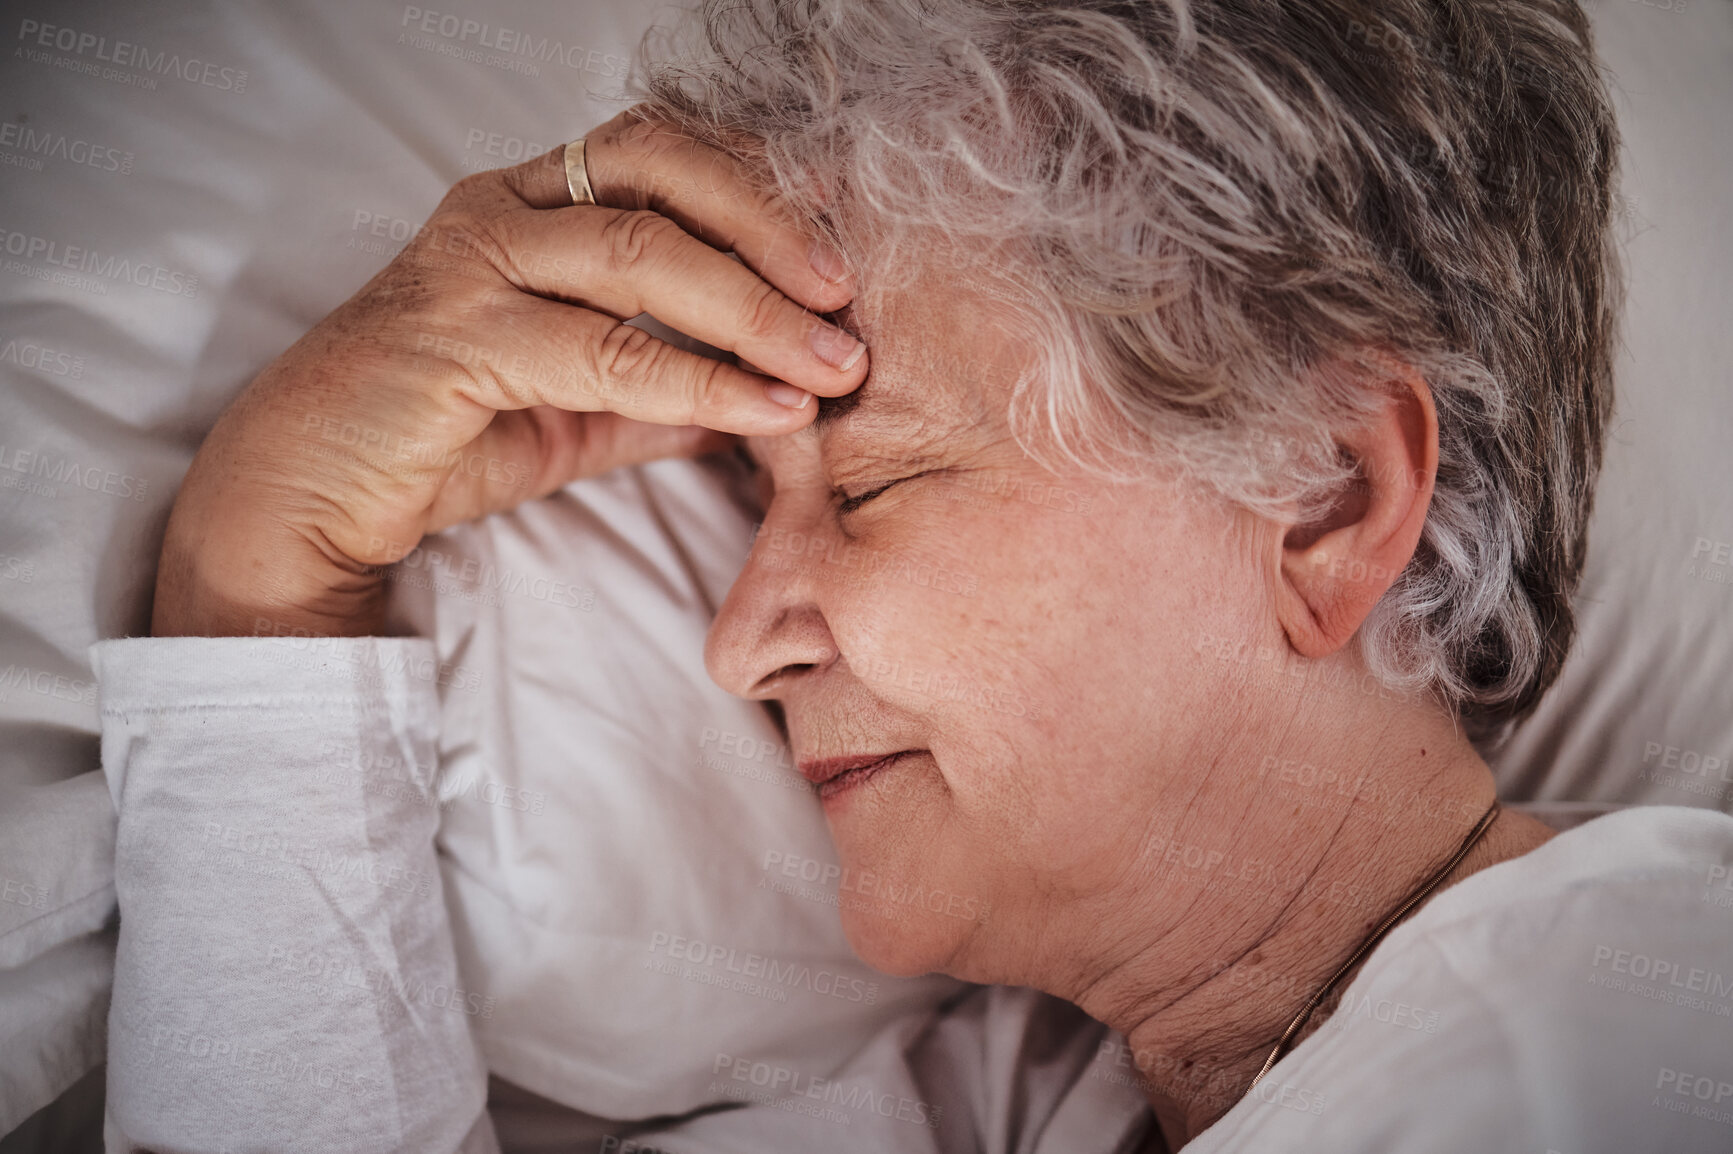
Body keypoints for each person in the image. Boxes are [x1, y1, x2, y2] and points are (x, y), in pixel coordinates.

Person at [95, 0, 1733, 1151]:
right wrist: (263, 578)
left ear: (1324, 499)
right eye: (748, 489)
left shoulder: (1622, 1055)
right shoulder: (1038, 1093)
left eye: (869, 479)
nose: (739, 641)